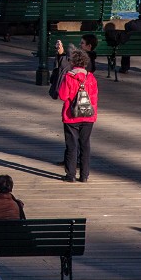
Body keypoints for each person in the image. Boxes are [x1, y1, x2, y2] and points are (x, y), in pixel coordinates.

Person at [57, 47, 98, 183]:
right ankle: (84, 175)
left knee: (72, 145)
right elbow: (94, 97)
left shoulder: (69, 77)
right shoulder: (91, 78)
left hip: (71, 116)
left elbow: (63, 96)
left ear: (72, 62)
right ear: (85, 63)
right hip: (88, 116)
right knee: (85, 144)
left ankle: (71, 175)